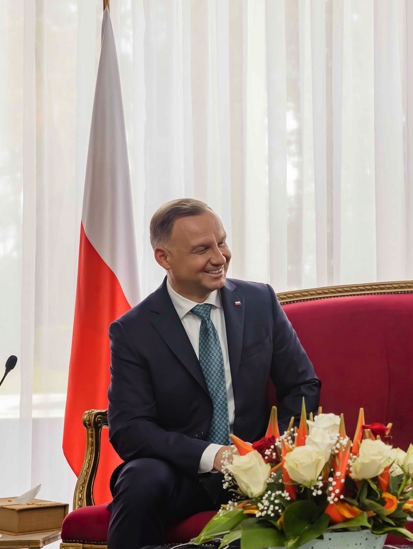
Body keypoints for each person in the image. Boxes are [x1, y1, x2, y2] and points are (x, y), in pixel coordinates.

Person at [106, 199, 320, 549]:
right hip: (181, 471)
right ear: (164, 258)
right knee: (140, 479)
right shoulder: (134, 330)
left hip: (260, 465)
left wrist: (274, 450)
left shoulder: (259, 302)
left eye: (221, 242)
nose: (220, 257)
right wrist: (215, 456)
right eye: (202, 249)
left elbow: (301, 385)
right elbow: (130, 429)